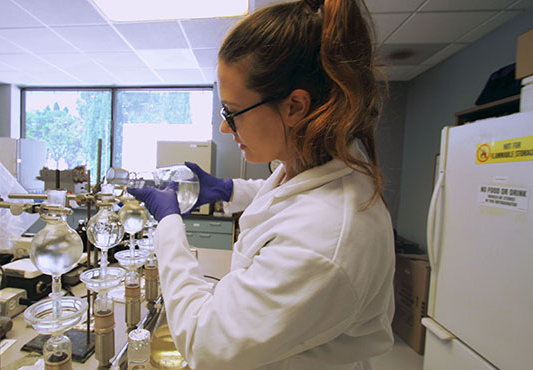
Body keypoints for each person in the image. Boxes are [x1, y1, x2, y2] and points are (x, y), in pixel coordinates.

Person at [128, 0, 394, 369]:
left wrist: (169, 226)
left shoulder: (325, 241)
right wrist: (228, 189)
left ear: (294, 107)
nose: (224, 128)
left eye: (231, 112)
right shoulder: (320, 160)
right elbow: (291, 198)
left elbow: (204, 343)